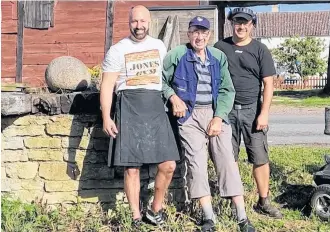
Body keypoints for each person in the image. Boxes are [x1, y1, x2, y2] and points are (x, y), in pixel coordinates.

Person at [162, 16, 255, 232]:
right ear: (189, 34)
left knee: (227, 161)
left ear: (209, 35)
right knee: (197, 163)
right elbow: (162, 82)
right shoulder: (176, 55)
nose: (199, 36)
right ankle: (208, 217)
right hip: (189, 117)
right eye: (195, 31)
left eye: (203, 32)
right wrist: (173, 98)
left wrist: (219, 117)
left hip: (215, 114)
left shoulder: (218, 57)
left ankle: (242, 217)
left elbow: (227, 89)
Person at [100, 5, 180, 227]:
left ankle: (156, 209)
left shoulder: (159, 46)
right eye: (135, 21)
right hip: (129, 106)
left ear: (149, 22)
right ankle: (135, 216)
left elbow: (167, 80)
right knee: (132, 168)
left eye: (143, 21)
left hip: (156, 107)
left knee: (169, 165)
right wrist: (106, 116)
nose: (139, 26)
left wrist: (174, 98)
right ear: (129, 22)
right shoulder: (117, 50)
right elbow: (107, 86)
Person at [214, 7, 282, 219]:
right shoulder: (220, 47)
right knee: (228, 158)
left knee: (259, 158)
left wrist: (264, 113)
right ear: (231, 23)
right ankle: (234, 203)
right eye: (237, 21)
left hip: (252, 110)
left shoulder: (260, 50)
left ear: (252, 25)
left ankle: (263, 201)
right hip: (226, 111)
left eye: (245, 22)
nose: (241, 26)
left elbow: (268, 84)